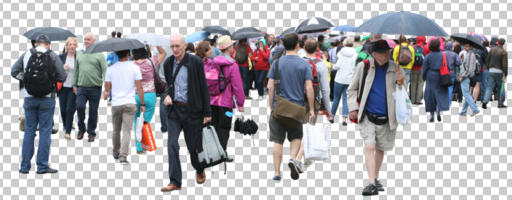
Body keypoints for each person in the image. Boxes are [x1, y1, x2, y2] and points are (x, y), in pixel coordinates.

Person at [347, 40, 405, 196]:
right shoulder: (364, 66)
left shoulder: (395, 68)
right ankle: (371, 182)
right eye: (383, 51)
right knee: (370, 147)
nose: (387, 54)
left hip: (387, 116)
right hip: (367, 115)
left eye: (388, 51)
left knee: (380, 148)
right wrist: (353, 107)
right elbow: (351, 89)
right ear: (374, 54)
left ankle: (376, 177)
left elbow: (403, 93)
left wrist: (401, 81)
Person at [160, 34, 212, 192]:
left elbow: (203, 87)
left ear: (184, 46)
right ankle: (175, 181)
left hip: (192, 111)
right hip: (174, 110)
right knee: (172, 145)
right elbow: (167, 85)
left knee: (193, 148)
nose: (175, 49)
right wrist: (167, 95)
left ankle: (199, 168)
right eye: (172, 46)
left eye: (178, 46)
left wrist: (207, 112)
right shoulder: (168, 63)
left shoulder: (195, 62)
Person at [11, 35, 67, 174]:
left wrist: (27, 79)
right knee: (45, 132)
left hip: (29, 97)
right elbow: (63, 76)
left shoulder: (26, 53)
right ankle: (42, 167)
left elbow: (14, 71)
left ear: (36, 44)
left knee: (29, 132)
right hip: (47, 98)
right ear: (48, 44)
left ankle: (24, 167)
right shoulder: (52, 55)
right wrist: (51, 80)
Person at [267, 33, 315, 182]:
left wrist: (271, 105)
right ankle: (293, 159)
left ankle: (276, 173)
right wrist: (312, 109)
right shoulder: (304, 64)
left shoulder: (276, 63)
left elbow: (270, 86)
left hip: (279, 107)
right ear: (297, 45)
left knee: (277, 140)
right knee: (296, 137)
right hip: (297, 107)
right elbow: (309, 88)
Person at [198, 37, 245, 158]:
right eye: (232, 45)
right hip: (226, 103)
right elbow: (237, 85)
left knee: (213, 126)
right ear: (229, 48)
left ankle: (212, 152)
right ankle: (222, 153)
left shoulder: (212, 62)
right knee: (224, 127)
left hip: (211, 102)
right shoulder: (232, 64)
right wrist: (240, 103)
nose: (233, 47)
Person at [294, 38, 333, 173]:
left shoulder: (298, 62)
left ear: (304, 47)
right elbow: (325, 89)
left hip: (297, 99)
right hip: (314, 101)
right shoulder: (321, 64)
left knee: (299, 129)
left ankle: (300, 158)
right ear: (317, 48)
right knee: (309, 129)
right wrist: (328, 109)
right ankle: (299, 159)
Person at [103, 49, 145, 164]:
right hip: (130, 102)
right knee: (127, 130)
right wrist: (142, 103)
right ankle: (123, 157)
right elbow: (139, 88)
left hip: (116, 103)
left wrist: (107, 91)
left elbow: (107, 87)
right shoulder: (135, 67)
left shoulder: (110, 68)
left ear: (116, 54)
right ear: (128, 54)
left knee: (116, 129)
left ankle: (116, 152)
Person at [131, 45, 167, 153]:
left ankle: (139, 146)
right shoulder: (151, 61)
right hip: (150, 96)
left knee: (136, 120)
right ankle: (144, 144)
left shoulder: (131, 65)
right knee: (145, 121)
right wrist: (156, 43)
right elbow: (163, 53)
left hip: (135, 95)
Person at [73, 33, 108, 142]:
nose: (86, 41)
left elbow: (105, 71)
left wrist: (107, 89)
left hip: (95, 88)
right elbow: (76, 70)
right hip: (81, 87)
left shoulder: (100, 55)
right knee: (79, 107)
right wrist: (74, 84)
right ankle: (81, 129)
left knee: (93, 111)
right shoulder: (79, 53)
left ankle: (91, 132)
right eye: (85, 39)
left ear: (94, 41)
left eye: (88, 39)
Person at [422, 39, 452, 122]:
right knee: (440, 94)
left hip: (430, 76)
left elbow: (424, 68)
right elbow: (448, 66)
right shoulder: (443, 55)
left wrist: (423, 77)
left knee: (430, 95)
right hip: (441, 75)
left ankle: (431, 114)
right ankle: (438, 110)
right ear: (439, 46)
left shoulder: (428, 56)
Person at [331, 37, 357, 126]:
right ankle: (344, 119)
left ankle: (332, 117)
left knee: (336, 98)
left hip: (339, 79)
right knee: (346, 99)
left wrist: (333, 66)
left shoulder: (341, 52)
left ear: (344, 43)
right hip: (349, 80)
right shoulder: (355, 53)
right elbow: (355, 67)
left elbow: (337, 66)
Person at [58, 37, 78, 140]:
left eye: (74, 44)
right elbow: (54, 68)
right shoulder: (61, 57)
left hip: (73, 87)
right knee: (63, 109)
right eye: (70, 44)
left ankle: (68, 131)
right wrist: (62, 66)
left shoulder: (78, 57)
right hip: (62, 87)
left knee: (70, 109)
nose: (72, 46)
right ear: (66, 46)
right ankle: (66, 125)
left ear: (76, 46)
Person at [482, 38, 508, 109]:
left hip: (491, 71)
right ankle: (500, 103)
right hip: (499, 72)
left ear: (498, 42)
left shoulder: (492, 50)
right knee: (501, 88)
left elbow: (487, 60)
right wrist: (505, 74)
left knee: (489, 87)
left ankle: (485, 101)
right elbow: (505, 64)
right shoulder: (504, 52)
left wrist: (488, 68)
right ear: (503, 44)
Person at [459, 43, 481, 116]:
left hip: (466, 77)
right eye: (465, 46)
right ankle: (463, 111)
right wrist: (462, 60)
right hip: (468, 76)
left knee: (466, 94)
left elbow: (468, 68)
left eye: (467, 46)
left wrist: (462, 77)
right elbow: (467, 66)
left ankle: (475, 109)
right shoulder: (469, 54)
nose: (465, 47)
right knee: (467, 94)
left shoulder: (470, 55)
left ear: (471, 47)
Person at [410, 36, 426, 105]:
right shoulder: (424, 48)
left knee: (413, 83)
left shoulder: (412, 47)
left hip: (413, 68)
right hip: (421, 68)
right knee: (420, 84)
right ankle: (418, 100)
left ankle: (412, 100)